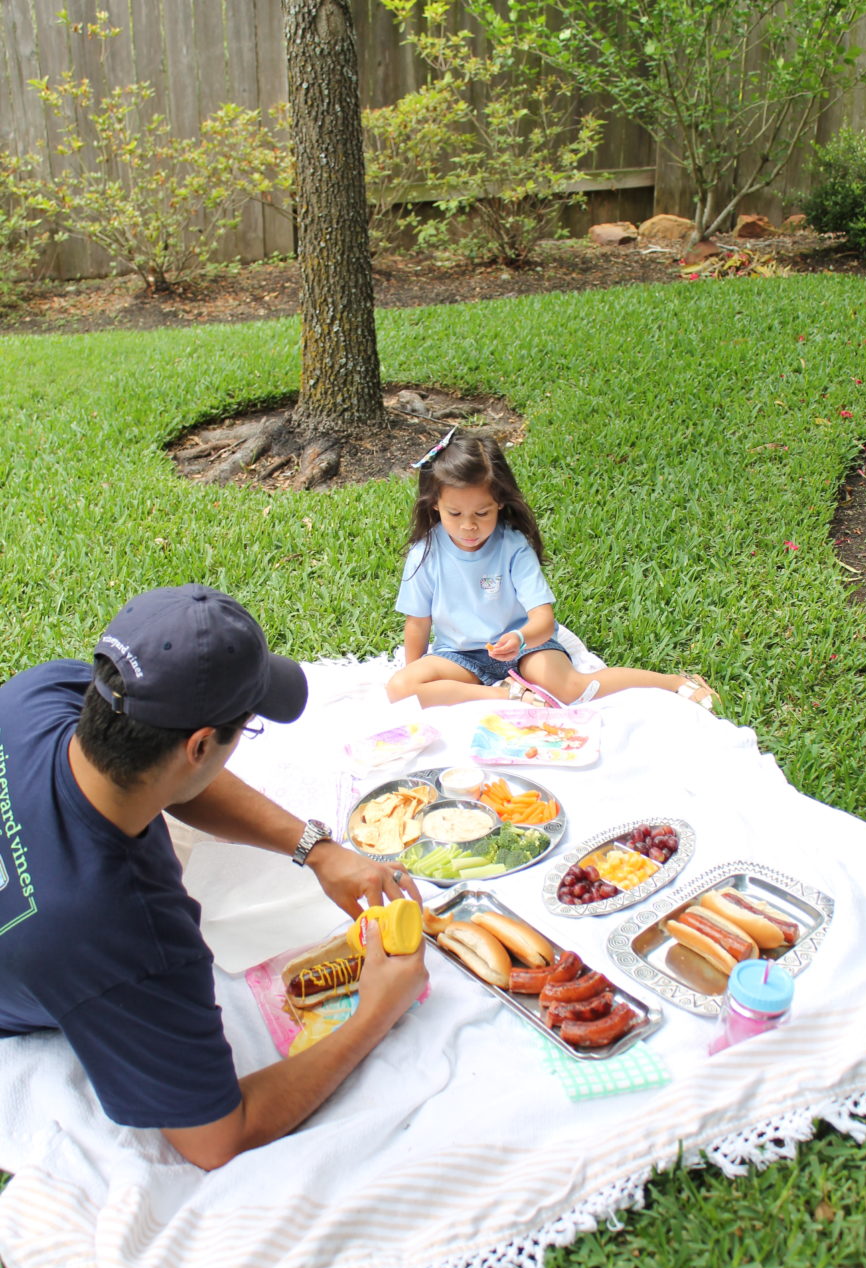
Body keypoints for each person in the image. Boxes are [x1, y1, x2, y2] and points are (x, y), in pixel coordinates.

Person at [0, 583, 427, 1171]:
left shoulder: (36, 695)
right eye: (243, 729)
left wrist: (319, 850)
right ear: (201, 744)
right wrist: (377, 1010)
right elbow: (216, 1138)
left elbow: (166, 770)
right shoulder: (133, 936)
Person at [386, 431, 718, 710]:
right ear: (435, 505)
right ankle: (504, 695)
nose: (469, 526)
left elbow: (542, 620)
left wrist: (518, 638)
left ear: (500, 503)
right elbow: (417, 622)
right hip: (459, 655)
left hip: (527, 646)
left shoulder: (512, 546)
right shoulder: (425, 553)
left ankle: (674, 683)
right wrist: (419, 678)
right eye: (454, 514)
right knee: (401, 687)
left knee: (571, 688)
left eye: (482, 513)